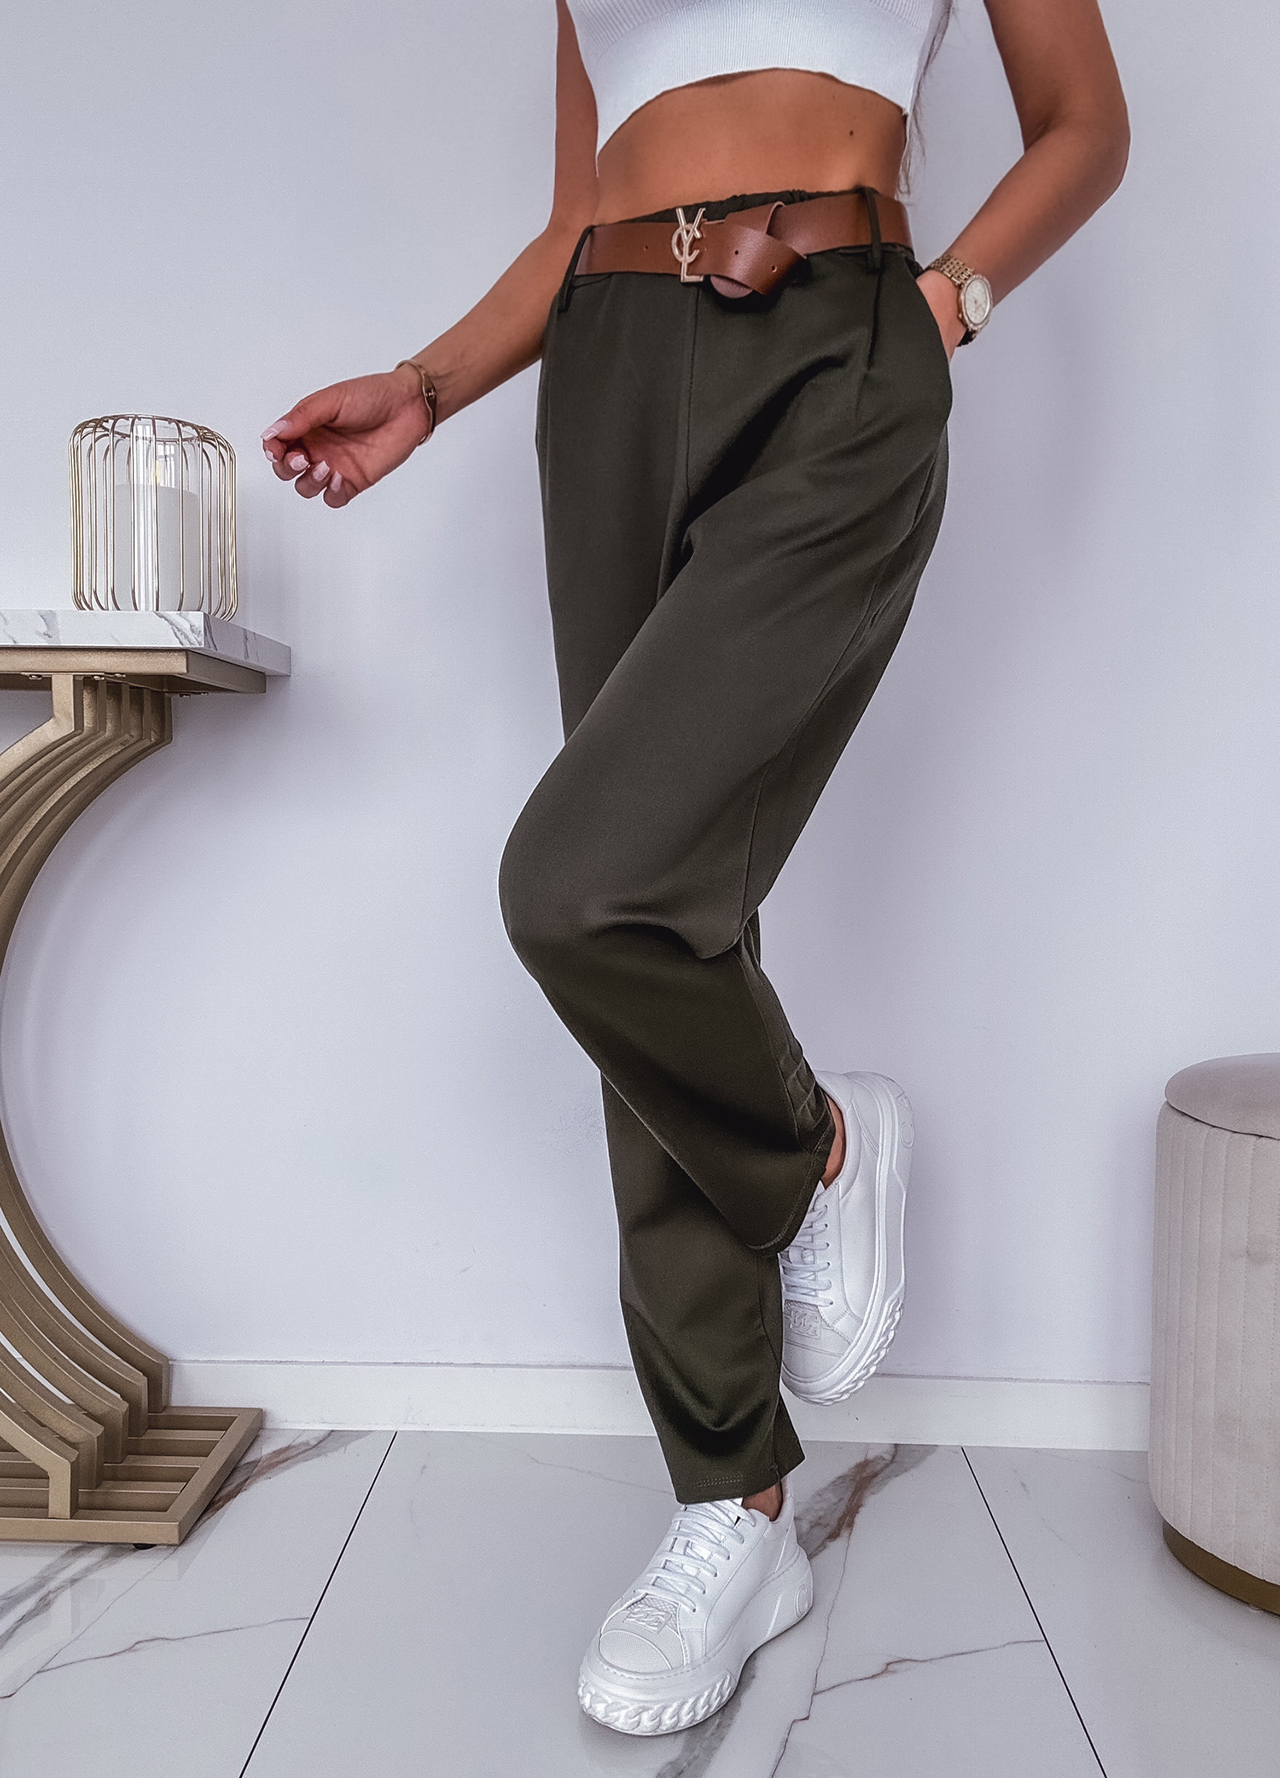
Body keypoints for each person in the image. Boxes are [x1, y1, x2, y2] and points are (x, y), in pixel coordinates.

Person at [262, 0, 1128, 1738]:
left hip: (843, 334)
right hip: (606, 364)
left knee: (582, 883)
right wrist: (427, 385)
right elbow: (580, 212)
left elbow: (1083, 122)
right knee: (649, 919)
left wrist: (946, 302)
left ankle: (813, 1148)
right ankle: (734, 1502)